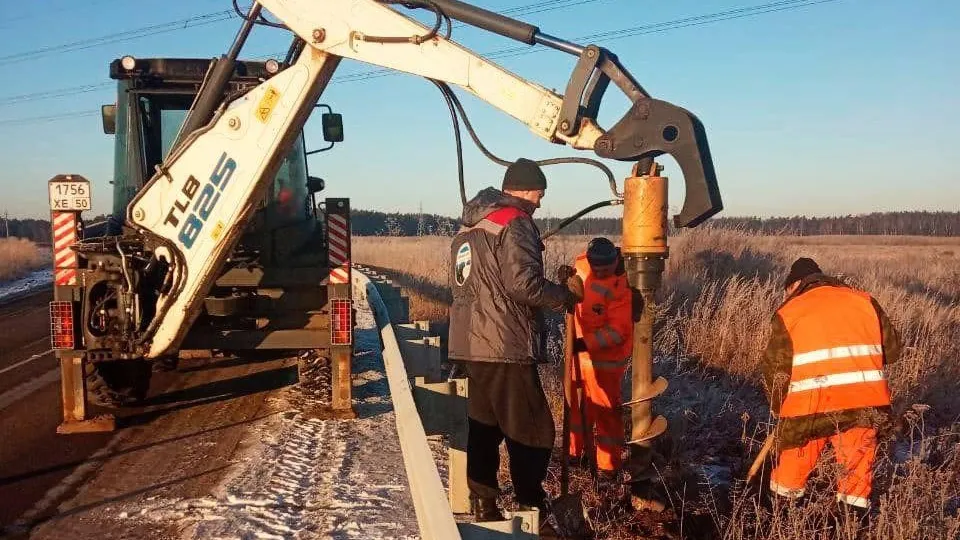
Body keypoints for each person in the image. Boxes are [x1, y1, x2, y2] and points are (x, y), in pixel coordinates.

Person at [448, 158, 582, 522]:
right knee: (534, 429)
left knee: (484, 427)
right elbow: (522, 285)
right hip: (505, 343)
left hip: (470, 344)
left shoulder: (469, 229)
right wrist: (565, 296)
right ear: (523, 189)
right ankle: (530, 505)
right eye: (539, 193)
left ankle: (484, 505)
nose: (539, 201)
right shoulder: (516, 222)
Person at [760, 257, 901, 514]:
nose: (787, 295)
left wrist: (780, 408)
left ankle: (780, 521)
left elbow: (775, 370)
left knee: (790, 474)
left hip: (809, 408)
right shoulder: (864, 300)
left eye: (787, 289)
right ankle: (850, 527)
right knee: (856, 480)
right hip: (866, 404)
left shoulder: (789, 312)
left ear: (796, 285)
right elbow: (892, 351)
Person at [560, 237, 635, 485]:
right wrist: (564, 278)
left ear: (615, 261)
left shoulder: (621, 286)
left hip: (605, 362)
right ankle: (573, 454)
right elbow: (573, 286)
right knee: (575, 407)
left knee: (606, 413)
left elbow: (618, 331)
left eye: (605, 269)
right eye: (597, 269)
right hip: (578, 355)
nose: (600, 273)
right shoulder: (582, 265)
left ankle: (607, 467)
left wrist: (586, 343)